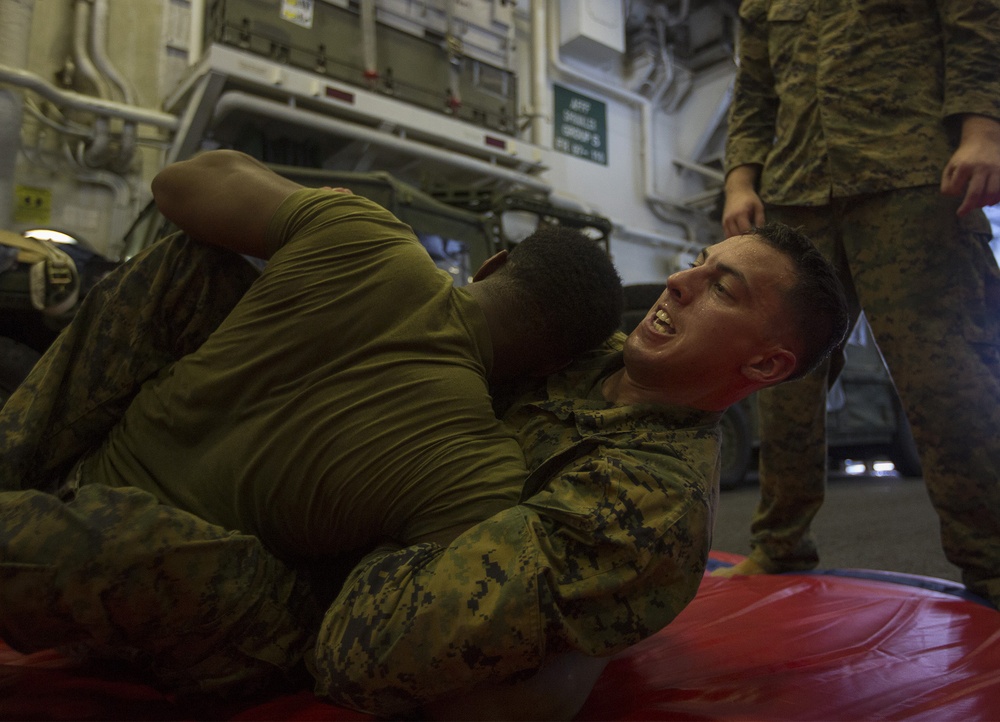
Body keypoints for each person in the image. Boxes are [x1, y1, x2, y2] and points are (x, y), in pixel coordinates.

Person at [1, 156, 849, 717]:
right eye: (697, 260)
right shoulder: (575, 349)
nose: (679, 280)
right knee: (192, 268)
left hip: (288, 600)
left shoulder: (641, 509)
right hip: (275, 480)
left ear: (768, 364)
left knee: (109, 546)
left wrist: (343, 483)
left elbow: (358, 653)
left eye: (721, 288)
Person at [0, 150, 624, 564]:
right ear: (551, 367)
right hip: (132, 576)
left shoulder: (364, 233)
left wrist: (311, 203)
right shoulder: (480, 475)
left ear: (495, 264)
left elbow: (176, 183)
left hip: (72, 486)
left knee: (190, 258)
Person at [717, 0, 1000, 609]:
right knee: (781, 382)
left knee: (946, 377)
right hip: (795, 193)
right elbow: (755, 87)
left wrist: (984, 131)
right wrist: (741, 178)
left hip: (912, 176)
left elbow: (974, 23)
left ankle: (993, 563)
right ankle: (780, 545)